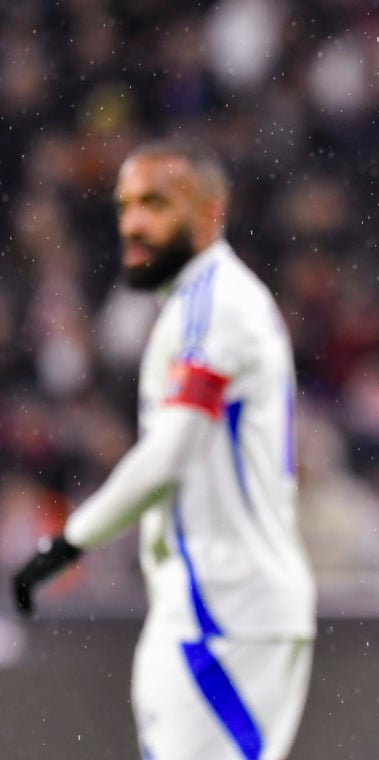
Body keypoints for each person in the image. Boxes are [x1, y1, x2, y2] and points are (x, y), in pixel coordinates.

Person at [10, 138, 316, 760]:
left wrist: (67, 542)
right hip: (231, 601)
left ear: (209, 211)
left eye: (155, 203)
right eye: (125, 206)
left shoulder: (214, 304)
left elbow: (170, 453)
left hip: (221, 607)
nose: (134, 223)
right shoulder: (198, 304)